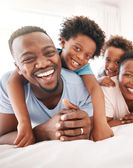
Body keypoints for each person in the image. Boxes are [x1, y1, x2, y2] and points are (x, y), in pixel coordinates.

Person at [6, 16, 113, 147]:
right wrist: (24, 123)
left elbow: (95, 89)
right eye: (77, 48)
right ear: (62, 42)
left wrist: (100, 124)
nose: (80, 57)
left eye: (87, 56)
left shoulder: (84, 67)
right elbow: (12, 82)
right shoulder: (48, 54)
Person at [0, 26, 93, 146]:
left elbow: (92, 126)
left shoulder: (80, 85)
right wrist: (42, 132)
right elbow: (1, 137)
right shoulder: (8, 85)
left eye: (49, 53)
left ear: (58, 54)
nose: (43, 64)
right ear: (18, 68)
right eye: (28, 59)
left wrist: (85, 126)